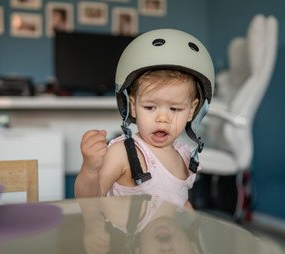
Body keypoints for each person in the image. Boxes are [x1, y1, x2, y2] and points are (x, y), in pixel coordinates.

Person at [75, 29, 214, 209]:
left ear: (191, 110)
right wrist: (90, 169)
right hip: (128, 238)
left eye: (175, 108)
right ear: (133, 106)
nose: (163, 118)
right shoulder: (122, 153)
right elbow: (89, 201)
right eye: (150, 107)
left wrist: (194, 232)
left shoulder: (184, 155)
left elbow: (181, 202)